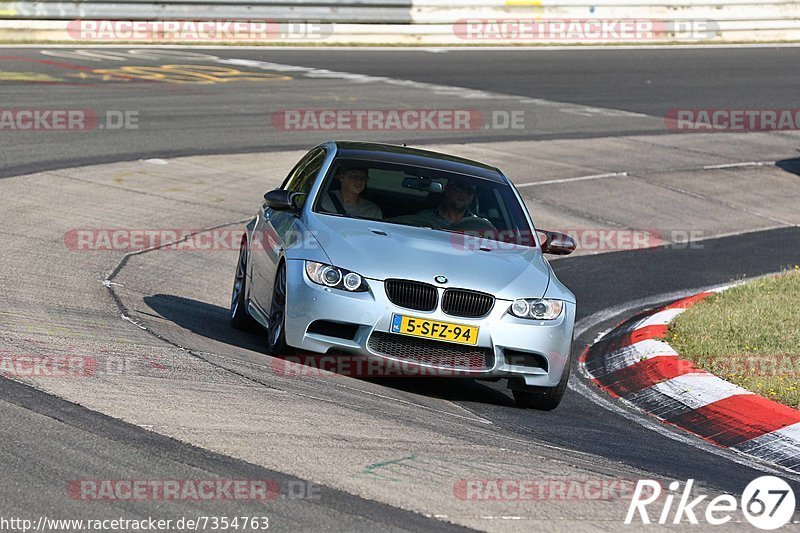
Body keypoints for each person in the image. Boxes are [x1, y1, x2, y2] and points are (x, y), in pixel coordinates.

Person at [410, 178, 493, 229]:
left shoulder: (482, 226)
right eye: (459, 188)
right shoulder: (422, 219)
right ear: (447, 190)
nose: (464, 194)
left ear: (472, 197)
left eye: (469, 191)